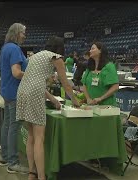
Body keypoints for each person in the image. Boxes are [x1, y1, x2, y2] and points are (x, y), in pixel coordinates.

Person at [16, 36, 80, 180]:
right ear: (60, 48)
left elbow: (33, 82)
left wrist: (53, 100)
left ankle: (32, 173)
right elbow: (66, 84)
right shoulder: (56, 58)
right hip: (34, 93)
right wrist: (75, 101)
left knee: (31, 136)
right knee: (39, 138)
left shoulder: (36, 56)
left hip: (22, 92)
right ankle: (41, 176)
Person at [0, 23, 28, 174]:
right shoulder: (15, 49)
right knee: (14, 127)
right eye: (23, 33)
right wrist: (31, 75)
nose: (25, 36)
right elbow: (17, 73)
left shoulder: (5, 48)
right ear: (17, 33)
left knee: (7, 125)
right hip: (15, 92)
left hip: (6, 91)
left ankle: (5, 157)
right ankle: (13, 162)